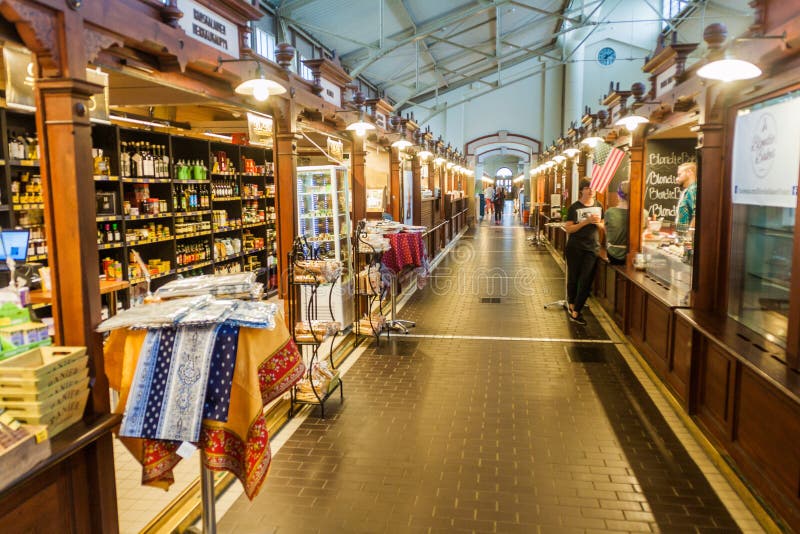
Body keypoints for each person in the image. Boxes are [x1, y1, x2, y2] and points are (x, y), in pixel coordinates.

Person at [564, 178, 603, 325]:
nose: (591, 190)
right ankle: (572, 303)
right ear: (582, 190)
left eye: (592, 188)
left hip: (592, 248)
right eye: (587, 188)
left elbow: (603, 226)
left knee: (586, 280)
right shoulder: (574, 207)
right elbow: (568, 228)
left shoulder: (599, 206)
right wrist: (585, 222)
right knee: (573, 278)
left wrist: (598, 223)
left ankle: (576, 311)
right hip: (575, 247)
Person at [603, 180, 630, 265]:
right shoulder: (643, 213)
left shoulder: (610, 212)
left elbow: (606, 232)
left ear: (618, 195)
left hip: (613, 255)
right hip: (636, 257)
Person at [675, 161, 697, 231]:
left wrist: (689, 236)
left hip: (687, 239)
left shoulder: (693, 190)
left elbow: (696, 215)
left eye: (679, 175)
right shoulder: (687, 191)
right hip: (682, 237)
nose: (677, 179)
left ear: (689, 172)